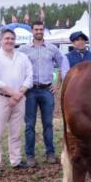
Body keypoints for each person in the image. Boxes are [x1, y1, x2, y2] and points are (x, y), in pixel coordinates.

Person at [0, 29, 34, 175]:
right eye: (7, 38)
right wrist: (13, 94)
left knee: (16, 132)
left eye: (12, 38)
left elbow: (29, 77)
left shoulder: (22, 57)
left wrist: (17, 95)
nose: (10, 41)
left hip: (19, 99)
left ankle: (16, 160)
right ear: (1, 40)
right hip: (0, 99)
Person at [18, 21, 63, 167]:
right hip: (29, 91)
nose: (39, 31)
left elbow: (62, 64)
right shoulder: (23, 49)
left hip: (46, 90)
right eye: (36, 29)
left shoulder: (52, 48)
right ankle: (30, 155)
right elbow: (17, 67)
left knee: (48, 124)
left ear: (44, 31)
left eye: (41, 29)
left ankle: (50, 153)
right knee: (30, 124)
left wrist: (57, 84)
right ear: (31, 31)